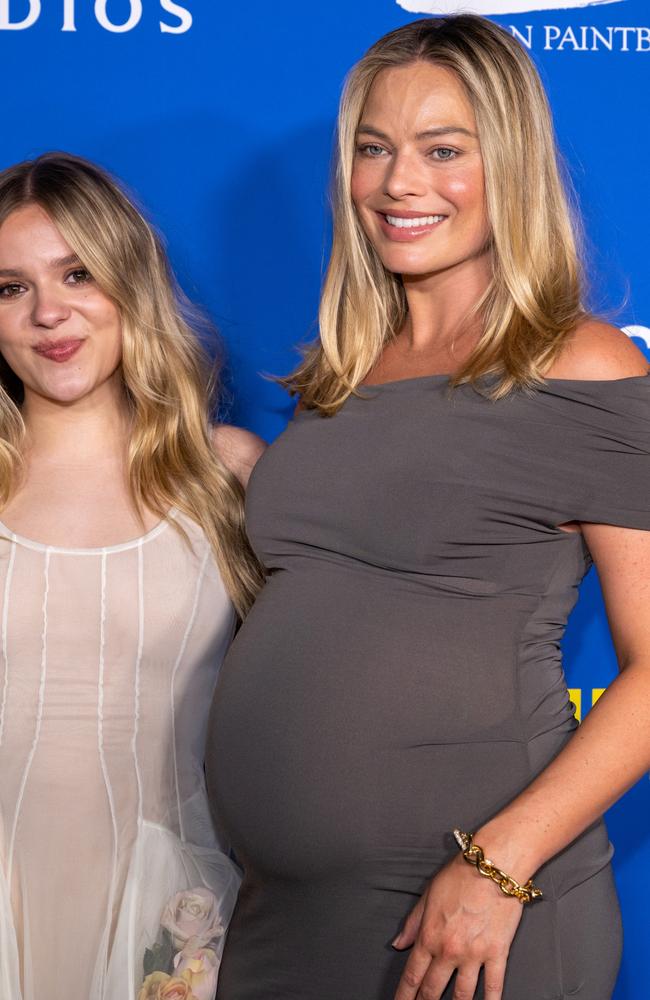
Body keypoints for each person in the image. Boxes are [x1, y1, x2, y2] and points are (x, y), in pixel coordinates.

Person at [205, 15, 650, 1000]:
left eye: (442, 150)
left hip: (468, 922)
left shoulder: (579, 364)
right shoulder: (342, 371)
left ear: (510, 164)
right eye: (373, 148)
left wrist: (497, 866)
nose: (398, 183)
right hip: (284, 916)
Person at [0, 152, 265, 1000]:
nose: (49, 313)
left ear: (130, 284)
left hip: (172, 920)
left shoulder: (228, 475)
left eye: (78, 273)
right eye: (10, 288)